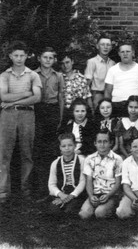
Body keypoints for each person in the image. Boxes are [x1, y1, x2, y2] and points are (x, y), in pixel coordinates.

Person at [0, 41, 42, 205]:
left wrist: (13, 100)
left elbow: (36, 97)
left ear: (27, 56)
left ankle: (26, 190)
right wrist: (25, 93)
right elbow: (3, 97)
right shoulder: (4, 76)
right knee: (4, 153)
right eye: (15, 55)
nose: (19, 58)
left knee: (27, 152)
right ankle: (3, 191)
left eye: (22, 55)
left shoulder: (33, 75)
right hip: (8, 115)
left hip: (27, 115)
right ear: (10, 56)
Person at [33, 47, 65, 196]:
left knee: (51, 149)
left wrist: (60, 117)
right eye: (45, 57)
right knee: (37, 148)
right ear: (39, 58)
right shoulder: (33, 74)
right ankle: (39, 187)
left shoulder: (58, 76)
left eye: (50, 58)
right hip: (38, 110)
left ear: (54, 60)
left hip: (52, 111)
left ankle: (52, 187)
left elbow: (60, 97)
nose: (47, 60)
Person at [79, 130, 123, 219]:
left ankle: (110, 209)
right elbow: (89, 180)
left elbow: (118, 182)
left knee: (100, 213)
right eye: (99, 142)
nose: (102, 145)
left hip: (111, 194)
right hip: (95, 194)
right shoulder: (89, 159)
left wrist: (108, 195)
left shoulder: (117, 159)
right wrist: (91, 196)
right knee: (84, 214)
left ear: (111, 143)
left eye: (105, 141)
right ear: (95, 143)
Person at [46, 133, 87, 216]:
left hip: (77, 194)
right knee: (53, 211)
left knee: (70, 211)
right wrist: (61, 195)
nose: (67, 148)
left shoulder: (82, 161)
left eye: (70, 145)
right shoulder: (55, 163)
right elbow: (51, 184)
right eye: (64, 146)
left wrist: (71, 196)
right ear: (60, 147)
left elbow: (83, 182)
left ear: (75, 146)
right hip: (62, 194)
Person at [104, 42, 138, 117]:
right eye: (122, 52)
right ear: (119, 53)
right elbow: (108, 92)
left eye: (128, 51)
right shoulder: (112, 70)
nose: (125, 54)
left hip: (134, 107)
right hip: (116, 106)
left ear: (133, 53)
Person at [85, 34, 115, 112]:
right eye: (102, 44)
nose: (105, 47)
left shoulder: (113, 63)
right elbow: (87, 84)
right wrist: (89, 102)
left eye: (108, 45)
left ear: (111, 47)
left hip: (110, 96)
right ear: (97, 46)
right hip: (97, 95)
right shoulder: (92, 62)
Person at [59, 50, 92, 122]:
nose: (65, 66)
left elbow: (88, 96)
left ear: (72, 62)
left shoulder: (81, 77)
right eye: (62, 63)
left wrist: (91, 114)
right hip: (65, 112)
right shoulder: (58, 77)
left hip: (80, 112)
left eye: (67, 62)